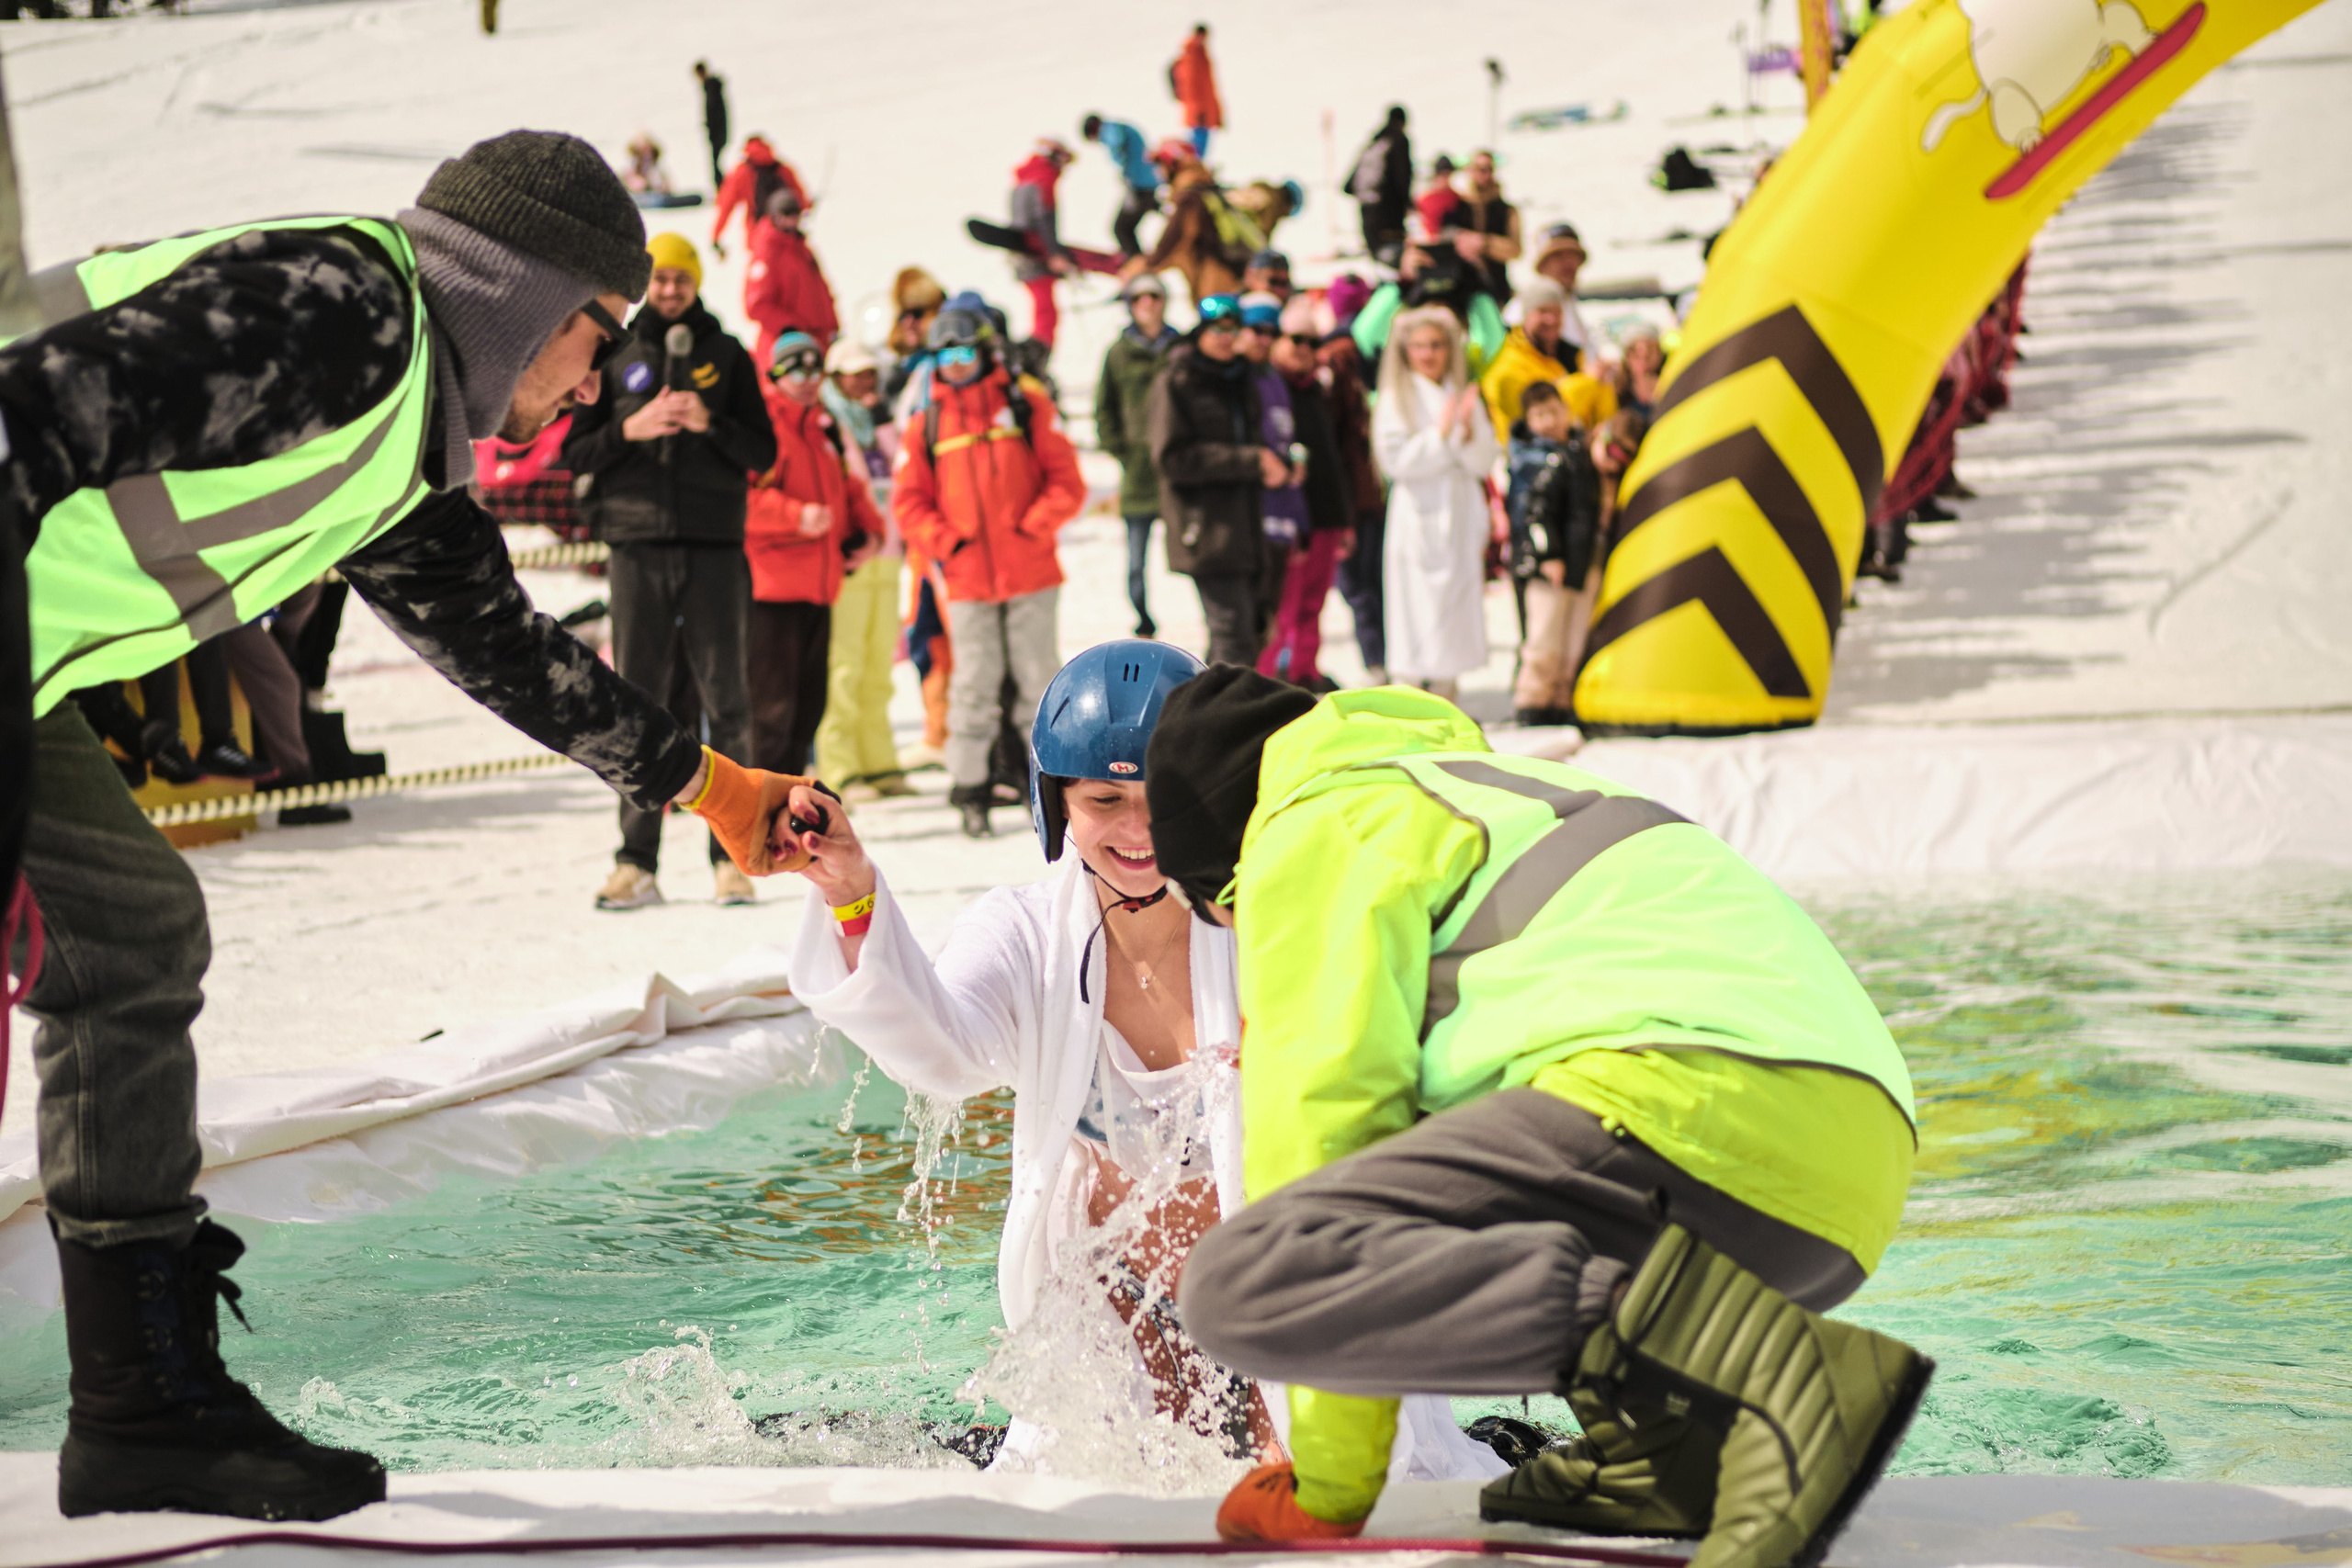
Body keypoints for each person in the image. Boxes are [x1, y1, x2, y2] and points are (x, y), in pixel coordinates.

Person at [0, 130, 820, 1524]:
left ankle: (143, 1402)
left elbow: (498, 642)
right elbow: (22, 420)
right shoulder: (340, 315)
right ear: (522, 292)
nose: (597, 384)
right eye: (599, 336)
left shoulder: (396, 435)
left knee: (131, 931)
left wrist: (718, 792)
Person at [1144, 669, 1931, 1560]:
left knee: (1247, 1278)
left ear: (1224, 875)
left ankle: (1777, 1382)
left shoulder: (1315, 828)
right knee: (1491, 1186)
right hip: (1847, 1180)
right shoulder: (1500, 787)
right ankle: (1669, 1459)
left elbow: (1321, 1142)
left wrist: (1329, 1491)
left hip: (1689, 1105)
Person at [780, 641, 1499, 1478]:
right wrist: (850, 891)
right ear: (1056, 802)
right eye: (1104, 799)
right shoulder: (1023, 934)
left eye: (1162, 796)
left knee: (1341, 1491)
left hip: (1287, 1309)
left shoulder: (1278, 922)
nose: (1136, 828)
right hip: (1119, 1334)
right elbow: (942, 1049)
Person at [560, 231, 777, 910]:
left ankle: (733, 858)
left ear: (696, 283)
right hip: (637, 545)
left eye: (681, 278)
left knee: (726, 702)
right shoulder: (614, 351)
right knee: (638, 702)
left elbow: (764, 451)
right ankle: (636, 861)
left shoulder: (727, 353)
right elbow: (574, 452)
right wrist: (630, 429)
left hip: (714, 545)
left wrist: (710, 423)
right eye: (660, 279)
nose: (670, 290)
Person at [891, 299, 1087, 839]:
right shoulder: (927, 424)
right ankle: (971, 788)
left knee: (1037, 682)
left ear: (983, 353)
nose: (955, 365)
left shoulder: (1024, 405)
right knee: (973, 686)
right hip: (968, 580)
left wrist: (1033, 525)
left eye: (964, 354)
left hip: (1031, 573)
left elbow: (1067, 480)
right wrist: (947, 543)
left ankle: (1047, 784)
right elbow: (909, 503)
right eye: (944, 356)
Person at [744, 332, 882, 787]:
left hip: (819, 590)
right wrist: (795, 516)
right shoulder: (762, 428)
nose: (806, 380)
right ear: (775, 376)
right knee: (770, 716)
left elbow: (848, 490)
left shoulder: (823, 429)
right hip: (771, 593)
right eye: (795, 370)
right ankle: (758, 809)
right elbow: (737, 500)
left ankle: (786, 805)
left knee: (807, 712)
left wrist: (871, 533)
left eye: (814, 370)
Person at [1147, 294, 1284, 670]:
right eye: (1217, 330)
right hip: (1205, 528)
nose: (1226, 338)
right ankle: (1226, 707)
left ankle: (1210, 701)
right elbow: (1171, 458)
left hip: (1247, 526)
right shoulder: (1177, 380)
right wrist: (1250, 461)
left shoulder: (1240, 377)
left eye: (1232, 330)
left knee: (1253, 629)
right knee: (1232, 635)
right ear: (1200, 332)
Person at [1373, 306, 1496, 700]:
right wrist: (1441, 437)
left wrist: (1468, 433)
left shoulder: (1461, 395)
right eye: (1420, 346)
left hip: (1458, 511)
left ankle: (1447, 689)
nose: (1428, 354)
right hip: (1418, 514)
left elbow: (1484, 460)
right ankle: (1409, 691)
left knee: (1455, 605)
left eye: (1437, 345)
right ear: (1405, 351)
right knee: (1414, 606)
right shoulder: (1397, 398)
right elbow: (1395, 461)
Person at [815, 339, 911, 799]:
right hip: (852, 558)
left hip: (889, 554)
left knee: (878, 663)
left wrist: (883, 422)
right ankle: (840, 767)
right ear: (835, 378)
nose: (864, 382)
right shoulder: (827, 423)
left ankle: (879, 761)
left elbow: (903, 469)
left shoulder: (878, 422)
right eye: (854, 374)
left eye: (870, 373)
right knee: (845, 665)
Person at [1258, 295, 1357, 690]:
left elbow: (1335, 458)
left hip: (1325, 514)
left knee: (1313, 602)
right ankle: (1272, 678)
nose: (1304, 349)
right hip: (1290, 515)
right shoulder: (1270, 388)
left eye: (1313, 342)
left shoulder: (1317, 390)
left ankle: (1303, 671)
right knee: (1286, 604)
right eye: (1296, 339)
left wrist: (1344, 518)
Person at [1504, 382, 1602, 727]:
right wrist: (1548, 554)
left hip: (1578, 559)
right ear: (1528, 421)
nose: (1547, 422)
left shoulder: (1577, 452)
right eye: (1538, 415)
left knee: (1572, 635)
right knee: (1544, 634)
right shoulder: (1534, 459)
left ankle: (1562, 697)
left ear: (1566, 410)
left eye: (1552, 412)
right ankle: (1533, 699)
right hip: (1547, 564)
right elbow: (1534, 513)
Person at [1095, 274, 1180, 638]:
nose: (1147, 304)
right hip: (1138, 471)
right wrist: (1123, 451)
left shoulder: (1180, 347)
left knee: (1191, 554)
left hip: (1179, 468)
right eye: (1139, 297)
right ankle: (1143, 617)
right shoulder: (1118, 353)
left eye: (1154, 296)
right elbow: (1104, 408)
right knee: (1135, 561)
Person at [1316, 284, 1389, 684]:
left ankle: (1379, 659)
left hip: (1362, 501)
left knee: (1364, 586)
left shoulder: (1351, 376)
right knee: (1364, 585)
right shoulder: (1345, 377)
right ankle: (1378, 659)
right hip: (1356, 500)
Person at [1236, 292, 1303, 649]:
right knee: (1239, 625)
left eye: (1271, 332)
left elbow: (1284, 436)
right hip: (1245, 516)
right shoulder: (1233, 376)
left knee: (1268, 618)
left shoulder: (1274, 378)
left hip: (1280, 512)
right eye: (1256, 330)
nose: (1263, 339)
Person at [1480, 277, 1614, 436]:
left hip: (1575, 447)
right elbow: (1540, 416)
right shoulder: (1506, 361)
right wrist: (1587, 380)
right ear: (1526, 315)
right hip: (1529, 449)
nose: (1551, 319)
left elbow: (1602, 412)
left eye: (1557, 312)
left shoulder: (1572, 355)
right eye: (1542, 311)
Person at [742, 184, 839, 369]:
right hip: (787, 348)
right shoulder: (767, 253)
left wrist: (832, 327)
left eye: (795, 213)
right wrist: (790, 327)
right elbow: (757, 305)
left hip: (818, 344)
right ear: (774, 216)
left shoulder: (801, 248)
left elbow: (821, 293)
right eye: (786, 214)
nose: (792, 220)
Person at [1009, 139, 1077, 351]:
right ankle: (1039, 356)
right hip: (1036, 258)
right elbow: (1044, 220)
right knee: (1046, 313)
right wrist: (1054, 254)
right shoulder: (1044, 177)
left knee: (1042, 311)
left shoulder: (1024, 180)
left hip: (1024, 255)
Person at [710, 134, 808, 262]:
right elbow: (801, 199)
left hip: (757, 232)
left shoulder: (742, 172)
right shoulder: (782, 168)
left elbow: (726, 206)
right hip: (786, 231)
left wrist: (716, 235)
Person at [1444, 150, 1522, 306]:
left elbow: (1515, 250)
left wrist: (1484, 243)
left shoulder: (1507, 210)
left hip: (1496, 289)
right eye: (1479, 169)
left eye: (1488, 169)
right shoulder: (1456, 205)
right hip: (1461, 289)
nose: (1484, 175)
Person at [1082, 113, 1163, 261]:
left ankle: (1137, 262)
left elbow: (1116, 141)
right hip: (1147, 184)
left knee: (1121, 229)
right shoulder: (1121, 127)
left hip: (1140, 187)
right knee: (1129, 226)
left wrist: (1120, 160)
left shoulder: (1110, 129)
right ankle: (1134, 257)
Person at [1344, 107, 1414, 265]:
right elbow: (1402, 175)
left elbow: (1349, 185)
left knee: (1377, 257)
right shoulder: (1399, 140)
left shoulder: (1374, 142)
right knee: (1392, 258)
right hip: (1387, 213)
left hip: (1365, 210)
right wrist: (1407, 203)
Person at [1530, 222, 1597, 358]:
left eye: (1573, 255)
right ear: (1542, 265)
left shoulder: (1569, 303)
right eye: (1558, 255)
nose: (1568, 262)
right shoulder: (1525, 308)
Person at [1170, 23, 1222, 159]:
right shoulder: (1192, 55)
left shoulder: (1199, 53)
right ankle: (1192, 166)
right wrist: (1198, 110)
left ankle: (1195, 165)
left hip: (1203, 109)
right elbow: (1190, 86)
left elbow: (1207, 86)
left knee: (1200, 143)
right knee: (1197, 146)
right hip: (1199, 111)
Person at [1609, 327, 1666, 421]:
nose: (1643, 355)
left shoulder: (1672, 379)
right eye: (1634, 351)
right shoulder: (1619, 392)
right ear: (1626, 357)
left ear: (1659, 354)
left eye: (1650, 349)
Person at [693, 61, 729, 189]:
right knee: (716, 163)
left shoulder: (711, 88)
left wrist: (710, 126)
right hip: (717, 132)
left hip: (716, 133)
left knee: (716, 163)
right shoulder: (712, 88)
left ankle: (723, 188)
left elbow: (713, 111)